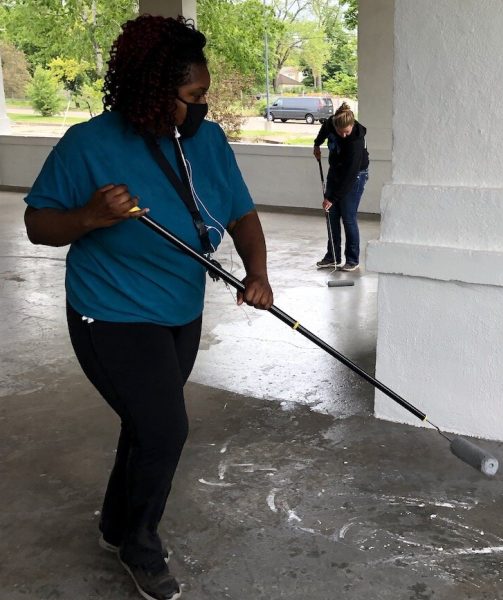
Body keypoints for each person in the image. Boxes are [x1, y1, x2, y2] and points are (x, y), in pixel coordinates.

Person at [23, 15, 273, 600]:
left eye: (203, 94)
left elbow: (241, 215)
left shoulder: (205, 141)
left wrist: (257, 272)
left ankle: (115, 526)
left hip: (181, 311)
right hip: (108, 314)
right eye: (192, 96)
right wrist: (91, 216)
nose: (201, 107)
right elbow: (38, 225)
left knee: (145, 423)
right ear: (152, 92)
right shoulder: (88, 144)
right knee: (164, 428)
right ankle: (140, 545)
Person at [312, 102, 369, 271]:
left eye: (347, 132)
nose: (343, 135)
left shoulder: (355, 141)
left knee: (348, 216)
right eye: (340, 132)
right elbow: (324, 130)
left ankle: (352, 259)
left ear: (352, 126)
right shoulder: (332, 122)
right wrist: (317, 144)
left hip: (356, 176)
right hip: (336, 171)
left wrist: (332, 198)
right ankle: (332, 257)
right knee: (331, 214)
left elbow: (350, 176)